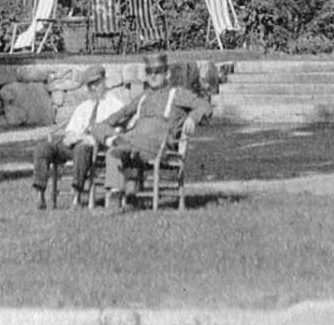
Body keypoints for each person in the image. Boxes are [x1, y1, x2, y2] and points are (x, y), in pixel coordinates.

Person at [99, 51, 208, 210]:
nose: (153, 76)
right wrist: (99, 128)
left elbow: (204, 105)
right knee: (110, 145)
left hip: (157, 145)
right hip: (134, 141)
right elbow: (119, 115)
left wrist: (193, 117)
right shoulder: (143, 97)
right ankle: (116, 195)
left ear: (167, 73)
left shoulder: (177, 94)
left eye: (158, 72)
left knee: (120, 146)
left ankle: (119, 146)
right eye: (149, 72)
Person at [31, 64, 125, 210]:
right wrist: (71, 136)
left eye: (97, 83)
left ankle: (77, 196)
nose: (93, 88)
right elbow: (70, 130)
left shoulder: (116, 106)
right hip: (74, 144)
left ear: (104, 81)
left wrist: (85, 138)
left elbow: (115, 134)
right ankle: (40, 194)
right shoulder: (84, 107)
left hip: (95, 148)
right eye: (90, 85)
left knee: (82, 148)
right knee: (43, 147)